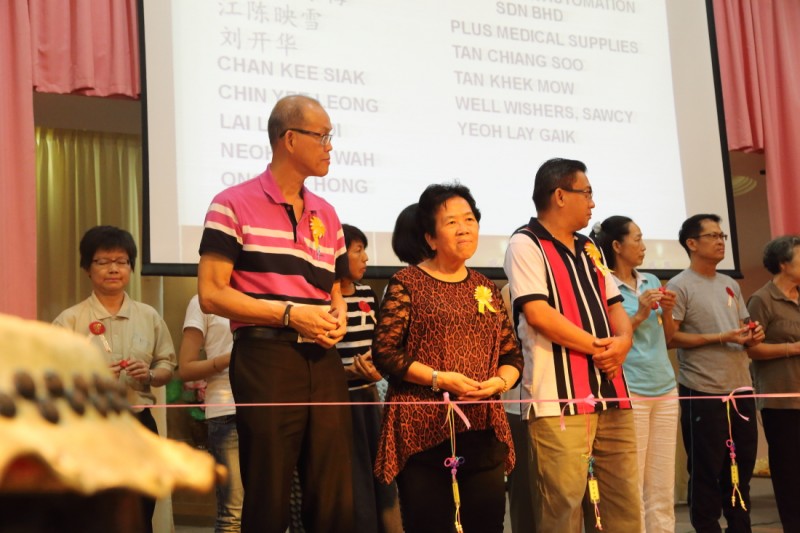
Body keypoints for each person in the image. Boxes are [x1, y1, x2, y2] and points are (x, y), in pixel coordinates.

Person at [197, 94, 354, 533]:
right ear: (289, 139)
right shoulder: (232, 203)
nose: (329, 146)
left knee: (334, 488)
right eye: (322, 136)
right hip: (266, 357)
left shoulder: (328, 213)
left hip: (323, 357)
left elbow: (335, 289)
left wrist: (338, 313)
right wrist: (289, 314)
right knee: (268, 489)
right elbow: (211, 294)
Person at [373, 183, 523, 533]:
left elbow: (511, 355)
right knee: (429, 524)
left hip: (481, 424)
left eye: (469, 219)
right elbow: (385, 352)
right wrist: (439, 379)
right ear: (430, 237)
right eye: (451, 222)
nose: (464, 229)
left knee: (487, 523)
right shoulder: (407, 283)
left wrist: (499, 382)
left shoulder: (485, 286)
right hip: (423, 428)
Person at [503, 158, 639, 532]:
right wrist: (602, 348)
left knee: (624, 502)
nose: (593, 203)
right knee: (562, 505)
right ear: (560, 196)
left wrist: (624, 342)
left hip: (612, 391)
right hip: (557, 400)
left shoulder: (589, 246)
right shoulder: (525, 243)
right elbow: (538, 314)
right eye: (587, 193)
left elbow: (615, 306)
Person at [53, 225, 176, 533]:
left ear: (131, 267)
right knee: (92, 513)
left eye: (121, 261)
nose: (113, 269)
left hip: (138, 423)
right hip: (89, 425)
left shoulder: (149, 316)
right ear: (87, 267)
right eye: (103, 261)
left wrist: (149, 374)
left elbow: (167, 366)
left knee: (140, 510)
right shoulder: (70, 320)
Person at [664, 213, 764, 533]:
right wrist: (721, 337)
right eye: (713, 236)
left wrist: (753, 334)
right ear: (692, 244)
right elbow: (670, 338)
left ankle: (740, 527)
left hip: (740, 386)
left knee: (741, 467)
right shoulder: (679, 285)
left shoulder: (729, 283)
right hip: (703, 389)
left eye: (723, 236)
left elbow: (742, 328)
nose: (721, 242)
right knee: (707, 469)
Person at [591, 216, 679, 533]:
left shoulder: (651, 280)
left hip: (665, 388)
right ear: (617, 246)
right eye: (637, 239)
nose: (643, 246)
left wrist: (668, 311)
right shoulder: (603, 284)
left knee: (662, 480)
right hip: (632, 390)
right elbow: (611, 338)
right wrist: (640, 313)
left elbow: (667, 338)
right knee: (633, 479)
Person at [338, 223, 402, 532]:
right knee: (355, 477)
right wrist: (345, 372)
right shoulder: (323, 300)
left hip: (371, 395)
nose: (365, 258)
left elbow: (382, 344)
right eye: (358, 250)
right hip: (339, 402)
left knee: (382, 473)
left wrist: (379, 368)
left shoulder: (366, 293)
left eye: (364, 249)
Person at [745, 235, 800, 532]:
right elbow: (751, 349)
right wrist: (793, 348)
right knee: (789, 470)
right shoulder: (762, 299)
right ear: (783, 264)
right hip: (781, 398)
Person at [178, 295, 242, 533]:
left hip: (269, 410)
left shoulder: (266, 292)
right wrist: (228, 360)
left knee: (269, 509)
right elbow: (186, 368)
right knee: (232, 513)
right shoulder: (203, 301)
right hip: (226, 410)